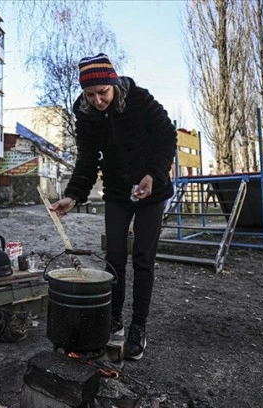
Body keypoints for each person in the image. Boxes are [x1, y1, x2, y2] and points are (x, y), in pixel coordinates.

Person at [50, 53, 177, 360]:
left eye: (102, 93)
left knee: (144, 258)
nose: (97, 100)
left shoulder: (140, 100)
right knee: (115, 257)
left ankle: (138, 327)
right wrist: (74, 195)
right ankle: (115, 318)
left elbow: (167, 137)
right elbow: (87, 159)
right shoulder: (85, 115)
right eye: (90, 95)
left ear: (114, 84)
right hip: (118, 192)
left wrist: (152, 174)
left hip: (152, 189)